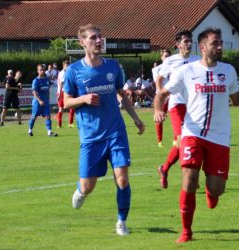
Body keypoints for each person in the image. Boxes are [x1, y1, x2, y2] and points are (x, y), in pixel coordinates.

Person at [153, 27, 239, 243]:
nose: (220, 47)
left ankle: (212, 191)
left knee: (216, 189)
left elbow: (238, 100)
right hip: (192, 133)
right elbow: (162, 94)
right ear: (202, 47)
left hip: (219, 137)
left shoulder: (228, 71)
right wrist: (158, 109)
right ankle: (186, 232)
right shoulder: (187, 71)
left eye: (220, 43)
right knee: (190, 180)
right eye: (215, 43)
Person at [63, 24, 145, 236]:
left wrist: (135, 118)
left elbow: (121, 94)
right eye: (93, 38)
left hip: (116, 132)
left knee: (123, 179)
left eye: (100, 37)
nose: (99, 41)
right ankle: (81, 191)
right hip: (91, 137)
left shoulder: (113, 66)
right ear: (82, 42)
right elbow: (65, 103)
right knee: (89, 185)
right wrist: (83, 99)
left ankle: (121, 222)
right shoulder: (74, 71)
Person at [154, 30, 201, 188]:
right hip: (177, 105)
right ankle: (191, 177)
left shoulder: (197, 60)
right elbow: (159, 79)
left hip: (194, 106)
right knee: (182, 140)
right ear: (178, 44)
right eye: (185, 41)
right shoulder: (171, 61)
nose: (188, 44)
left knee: (193, 141)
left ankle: (164, 168)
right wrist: (161, 97)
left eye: (190, 41)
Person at [28, 64, 58, 137]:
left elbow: (51, 84)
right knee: (34, 117)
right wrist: (39, 100)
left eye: (43, 70)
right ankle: (30, 130)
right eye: (40, 70)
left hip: (46, 102)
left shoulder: (47, 79)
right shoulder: (36, 80)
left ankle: (49, 132)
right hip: (37, 102)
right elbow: (34, 92)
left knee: (48, 116)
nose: (42, 71)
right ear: (37, 71)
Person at [152, 49, 171, 146]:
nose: (167, 58)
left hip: (174, 96)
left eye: (169, 56)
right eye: (165, 56)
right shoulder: (157, 69)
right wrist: (162, 96)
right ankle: (160, 141)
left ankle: (177, 140)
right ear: (161, 57)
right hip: (162, 96)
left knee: (179, 117)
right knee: (160, 119)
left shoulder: (175, 68)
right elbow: (157, 83)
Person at [56, 60, 76, 128]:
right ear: (63, 65)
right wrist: (59, 94)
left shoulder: (68, 72)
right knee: (61, 109)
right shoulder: (62, 73)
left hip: (67, 92)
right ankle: (59, 124)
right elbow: (61, 84)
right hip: (62, 92)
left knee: (72, 107)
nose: (67, 67)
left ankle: (70, 123)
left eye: (68, 65)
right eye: (66, 65)